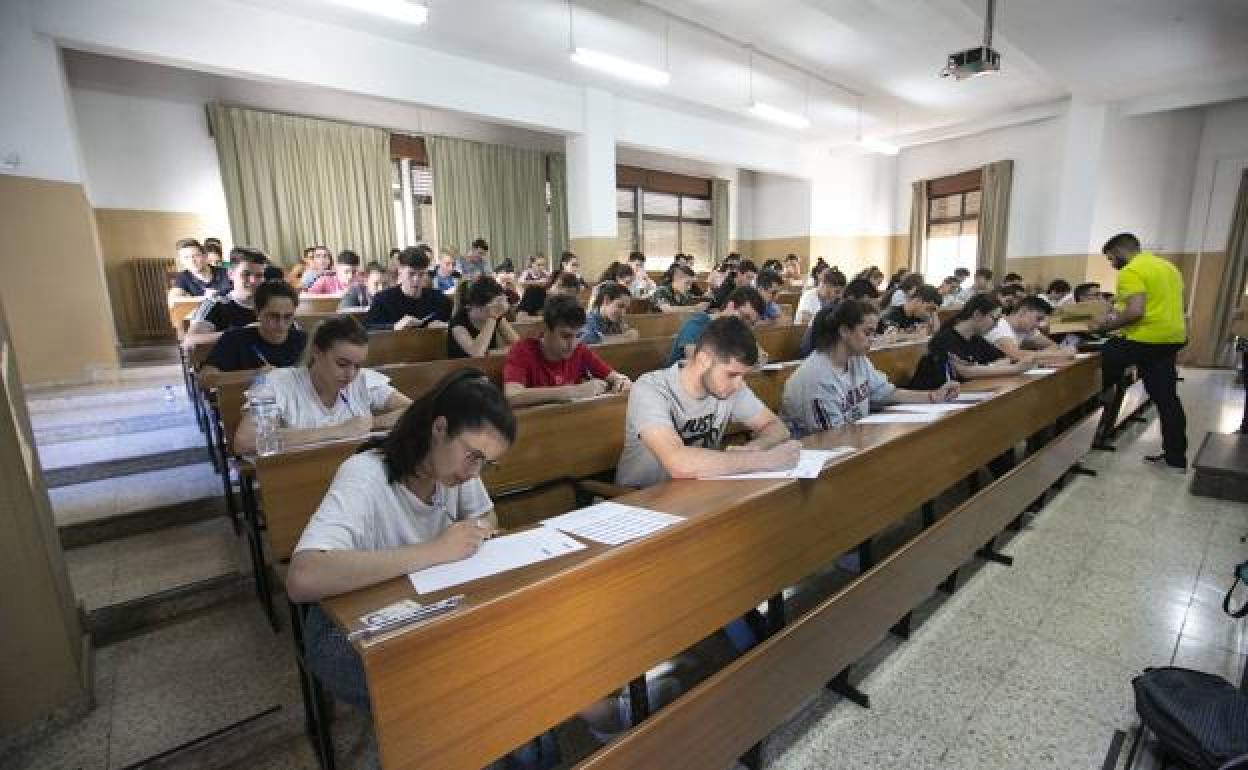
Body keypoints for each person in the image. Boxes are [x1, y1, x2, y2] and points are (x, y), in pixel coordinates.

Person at [615, 316, 800, 488]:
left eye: (743, 375)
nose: (738, 384)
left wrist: (754, 448)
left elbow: (776, 426)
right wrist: (765, 460)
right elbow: (677, 462)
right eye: (732, 374)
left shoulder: (729, 388)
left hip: (695, 492)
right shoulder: (651, 388)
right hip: (640, 499)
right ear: (704, 360)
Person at [233, 316, 412, 455]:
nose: (351, 375)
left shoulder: (363, 380)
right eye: (342, 364)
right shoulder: (277, 383)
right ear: (317, 353)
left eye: (358, 365)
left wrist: (370, 423)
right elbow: (245, 441)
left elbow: (415, 411)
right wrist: (338, 431)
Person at [782, 300, 958, 434]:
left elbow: (888, 393)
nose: (873, 339)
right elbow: (830, 437)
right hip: (819, 457)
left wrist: (934, 396)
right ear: (844, 331)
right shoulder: (816, 379)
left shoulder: (857, 359)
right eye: (867, 332)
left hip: (852, 441)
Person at [1094, 232, 1188, 471]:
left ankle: (1097, 402)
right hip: (1172, 337)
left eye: (1111, 258)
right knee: (1167, 398)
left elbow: (1136, 311)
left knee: (1100, 360)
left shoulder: (1131, 270)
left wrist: (1104, 327)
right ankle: (1175, 458)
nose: (1112, 264)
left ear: (1119, 252)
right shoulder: (1168, 267)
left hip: (1146, 338)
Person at [502, 295, 630, 407]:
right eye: (565, 336)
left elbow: (616, 376)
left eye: (578, 335)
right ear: (546, 329)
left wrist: (622, 382)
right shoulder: (522, 350)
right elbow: (512, 395)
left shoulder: (580, 350)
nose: (573, 344)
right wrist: (573, 391)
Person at [907, 293, 1032, 389]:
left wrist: (986, 367)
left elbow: (1005, 359)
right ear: (977, 314)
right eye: (995, 319)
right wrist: (1016, 369)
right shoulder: (944, 339)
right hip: (928, 398)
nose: (996, 325)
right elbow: (966, 372)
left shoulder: (976, 339)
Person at [199, 280, 306, 387]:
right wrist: (257, 374)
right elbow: (205, 379)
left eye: (288, 316)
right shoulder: (234, 339)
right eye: (273, 316)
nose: (281, 324)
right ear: (257, 312)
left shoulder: (304, 341)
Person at [184, 249, 269, 347]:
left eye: (259, 275)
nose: (253, 281)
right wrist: (241, 334)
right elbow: (190, 340)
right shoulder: (216, 303)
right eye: (246, 274)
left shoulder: (273, 301)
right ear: (230, 274)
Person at [668, 287, 767, 366]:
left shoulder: (736, 330)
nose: (746, 326)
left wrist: (760, 355)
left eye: (752, 323)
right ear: (731, 306)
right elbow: (697, 362)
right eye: (745, 317)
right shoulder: (697, 324)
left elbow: (759, 354)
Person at [364, 246, 452, 330]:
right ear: (400, 271)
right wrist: (394, 327)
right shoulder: (383, 300)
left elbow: (456, 323)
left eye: (421, 274)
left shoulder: (439, 299)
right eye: (411, 274)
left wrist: (446, 325)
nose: (416, 279)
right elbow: (368, 328)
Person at [985, 295, 1075, 365]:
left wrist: (1036, 358)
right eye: (1038, 319)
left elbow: (1053, 346)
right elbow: (1016, 355)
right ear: (1023, 311)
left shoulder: (1027, 329)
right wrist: (1060, 354)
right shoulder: (999, 325)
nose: (1039, 324)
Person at [448, 276, 519, 359]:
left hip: (488, 367)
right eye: (493, 306)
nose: (496, 309)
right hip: (462, 369)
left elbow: (519, 346)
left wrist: (491, 353)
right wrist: (493, 317)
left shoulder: (496, 316)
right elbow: (477, 354)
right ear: (476, 305)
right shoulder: (458, 322)